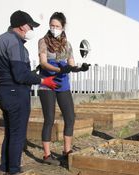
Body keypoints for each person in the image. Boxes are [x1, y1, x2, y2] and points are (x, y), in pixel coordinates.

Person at [0, 10, 60, 175]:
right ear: (22, 26)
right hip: (17, 93)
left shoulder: (1, 39)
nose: (31, 28)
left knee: (10, 132)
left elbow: (13, 70)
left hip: (4, 91)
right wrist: (43, 80)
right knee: (18, 134)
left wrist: (30, 72)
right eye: (30, 25)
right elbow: (20, 75)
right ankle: (14, 171)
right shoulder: (15, 44)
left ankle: (3, 168)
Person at [37, 12, 89, 166]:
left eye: (57, 26)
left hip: (63, 84)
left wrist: (79, 69)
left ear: (63, 27)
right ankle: (47, 155)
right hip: (48, 83)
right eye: (52, 25)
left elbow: (71, 63)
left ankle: (67, 151)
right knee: (49, 119)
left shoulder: (67, 44)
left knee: (70, 117)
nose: (54, 28)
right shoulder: (43, 42)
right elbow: (44, 63)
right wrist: (59, 70)